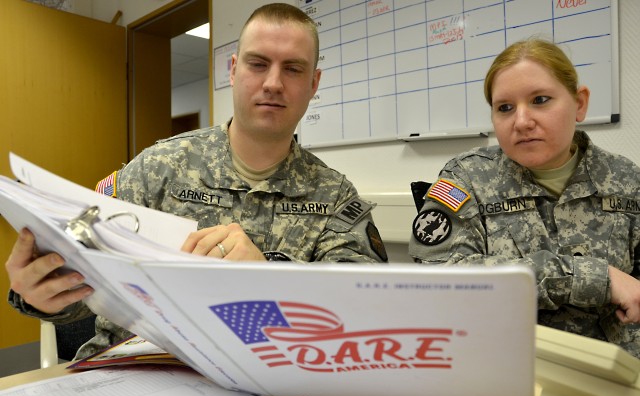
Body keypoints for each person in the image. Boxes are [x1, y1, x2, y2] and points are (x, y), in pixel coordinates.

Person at [6, 3, 387, 360]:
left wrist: (269, 282)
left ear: (314, 83)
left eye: (293, 68)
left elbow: (367, 313)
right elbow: (83, 290)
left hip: (264, 376)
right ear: (233, 70)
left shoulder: (334, 197)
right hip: (136, 370)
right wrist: (40, 290)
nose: (273, 82)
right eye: (258, 64)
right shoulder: (158, 168)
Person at [408, 38, 640, 357]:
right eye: (504, 108)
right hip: (502, 366)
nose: (521, 121)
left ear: (580, 103)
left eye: (540, 100)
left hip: (612, 374)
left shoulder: (626, 180)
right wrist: (592, 278)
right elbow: (441, 280)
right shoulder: (468, 178)